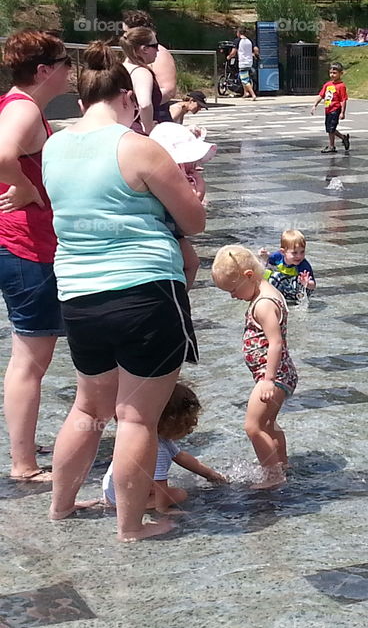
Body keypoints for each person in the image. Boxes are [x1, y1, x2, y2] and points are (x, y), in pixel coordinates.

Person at [44, 41, 205, 541]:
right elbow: (193, 222)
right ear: (129, 100)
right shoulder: (138, 147)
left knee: (88, 408)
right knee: (137, 417)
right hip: (143, 293)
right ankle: (131, 527)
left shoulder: (54, 145)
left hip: (77, 295)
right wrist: (194, 192)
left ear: (79, 101)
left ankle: (61, 506)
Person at [0, 30, 70, 481]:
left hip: (18, 244)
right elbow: (3, 153)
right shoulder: (24, 108)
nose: (70, 70)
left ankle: (23, 443)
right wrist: (24, 188)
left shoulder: (15, 104)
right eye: (64, 62)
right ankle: (24, 464)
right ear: (44, 71)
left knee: (27, 354)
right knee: (30, 358)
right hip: (25, 247)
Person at [211, 245, 297, 489]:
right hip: (279, 374)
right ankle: (282, 464)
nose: (232, 296)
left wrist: (268, 379)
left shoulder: (263, 304)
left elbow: (276, 342)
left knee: (253, 426)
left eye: (233, 290)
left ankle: (273, 476)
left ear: (249, 276)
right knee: (268, 424)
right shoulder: (264, 292)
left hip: (274, 375)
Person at [101, 383, 226, 511]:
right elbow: (160, 482)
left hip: (116, 490)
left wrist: (209, 474)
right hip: (121, 499)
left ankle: (109, 501)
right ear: (173, 423)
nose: (191, 428)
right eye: (189, 423)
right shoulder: (157, 449)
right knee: (179, 494)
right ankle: (119, 507)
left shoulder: (156, 436)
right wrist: (163, 509)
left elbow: (181, 457)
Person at [149, 122, 216, 288]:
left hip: (166, 226)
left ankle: (180, 293)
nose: (195, 165)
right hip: (167, 227)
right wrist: (199, 194)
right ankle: (179, 295)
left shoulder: (158, 168)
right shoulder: (172, 173)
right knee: (190, 263)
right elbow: (190, 214)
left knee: (192, 263)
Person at [122, 10, 176, 122]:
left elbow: (169, 89)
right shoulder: (133, 55)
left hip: (156, 115)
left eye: (126, 32)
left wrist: (144, 99)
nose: (124, 36)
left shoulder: (158, 53)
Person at [120, 26, 163, 135]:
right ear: (144, 49)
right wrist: (149, 129)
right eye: (155, 46)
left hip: (121, 130)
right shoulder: (142, 73)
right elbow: (145, 104)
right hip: (138, 132)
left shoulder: (118, 69)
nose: (158, 50)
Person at [259, 229, 316, 305]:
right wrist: (264, 256)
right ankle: (267, 294)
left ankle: (275, 296)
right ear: (283, 252)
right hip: (285, 286)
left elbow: (313, 285)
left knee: (276, 276)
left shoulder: (303, 265)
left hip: (296, 292)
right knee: (266, 272)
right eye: (294, 253)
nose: (299, 256)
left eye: (302, 252)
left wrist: (307, 283)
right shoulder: (278, 257)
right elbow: (266, 262)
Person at [311, 62, 350, 154]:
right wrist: (315, 105)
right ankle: (343, 138)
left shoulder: (341, 86)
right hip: (328, 109)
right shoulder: (328, 84)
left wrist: (342, 112)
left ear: (341, 73)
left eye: (335, 73)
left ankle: (332, 146)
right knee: (329, 128)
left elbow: (343, 100)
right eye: (331, 73)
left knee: (331, 128)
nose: (332, 75)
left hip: (335, 109)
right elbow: (321, 95)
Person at [228, 28, 259, 100]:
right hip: (249, 62)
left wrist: (229, 57)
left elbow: (233, 52)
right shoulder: (249, 40)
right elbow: (256, 49)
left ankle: (253, 94)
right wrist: (255, 54)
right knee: (245, 77)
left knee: (244, 79)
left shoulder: (237, 41)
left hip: (243, 62)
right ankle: (245, 93)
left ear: (239, 33)